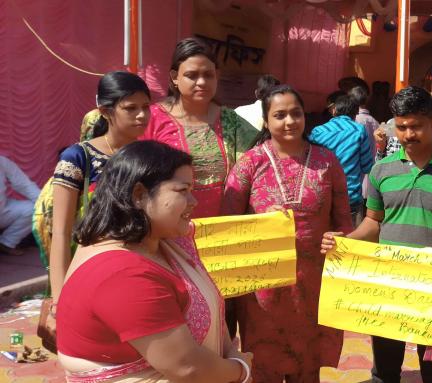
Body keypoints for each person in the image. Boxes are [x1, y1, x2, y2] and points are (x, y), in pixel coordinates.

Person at [55, 140, 253, 382]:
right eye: (182, 191)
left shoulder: (164, 244)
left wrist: (230, 354)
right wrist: (240, 369)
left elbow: (213, 310)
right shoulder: (122, 274)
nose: (194, 201)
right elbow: (186, 368)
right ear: (139, 195)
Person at [321, 86, 432, 383]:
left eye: (416, 126)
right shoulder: (381, 171)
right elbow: (373, 222)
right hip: (389, 284)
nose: (408, 135)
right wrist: (345, 241)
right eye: (401, 127)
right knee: (385, 369)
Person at [223, 84, 351, 382]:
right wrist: (259, 224)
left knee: (308, 367)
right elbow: (228, 224)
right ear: (266, 121)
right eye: (280, 115)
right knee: (264, 365)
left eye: (296, 113)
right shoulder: (250, 162)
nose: (290, 121)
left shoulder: (327, 161)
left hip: (314, 284)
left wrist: (339, 238)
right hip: (262, 288)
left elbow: (344, 221)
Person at [42, 71, 152, 311]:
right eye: (131, 108)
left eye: (146, 106)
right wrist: (60, 300)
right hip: (92, 268)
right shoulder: (78, 157)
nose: (142, 115)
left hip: (142, 268)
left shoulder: (150, 157)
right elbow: (61, 233)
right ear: (105, 111)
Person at [140, 37, 257, 219]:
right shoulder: (152, 119)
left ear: (217, 75)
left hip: (223, 228)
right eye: (192, 75)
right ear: (175, 77)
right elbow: (135, 175)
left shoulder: (232, 122)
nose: (201, 82)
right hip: (168, 227)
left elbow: (261, 166)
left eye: (208, 75)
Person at [309, 93, 374, 227]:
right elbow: (367, 166)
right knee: (351, 238)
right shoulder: (359, 130)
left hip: (323, 195)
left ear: (334, 110)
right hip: (350, 197)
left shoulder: (317, 132)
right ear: (355, 113)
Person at [0, 156, 40, 256]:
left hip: (2, 211)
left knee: (35, 209)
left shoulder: (2, 161)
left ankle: (6, 243)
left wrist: (43, 202)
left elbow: (24, 184)